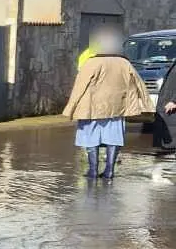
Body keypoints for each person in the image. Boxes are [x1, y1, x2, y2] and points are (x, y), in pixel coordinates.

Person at [62, 30, 150, 179]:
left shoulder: (91, 62)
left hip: (92, 107)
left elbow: (79, 85)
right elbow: (139, 83)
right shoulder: (124, 63)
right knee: (114, 136)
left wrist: (71, 107)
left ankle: (93, 170)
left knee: (90, 136)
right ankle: (110, 170)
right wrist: (147, 103)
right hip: (117, 106)